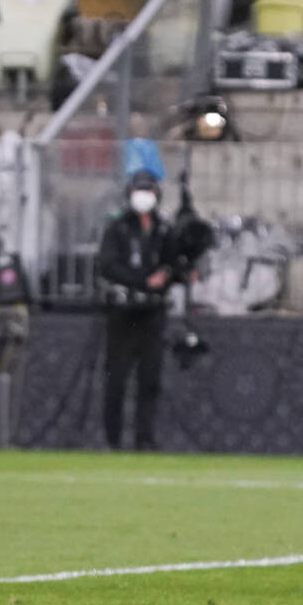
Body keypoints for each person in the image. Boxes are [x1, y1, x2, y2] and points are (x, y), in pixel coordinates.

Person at [97, 171, 172, 451]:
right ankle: (112, 439)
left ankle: (145, 439)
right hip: (123, 311)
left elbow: (174, 259)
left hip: (153, 312)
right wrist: (141, 280)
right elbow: (107, 265)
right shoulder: (118, 228)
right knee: (116, 379)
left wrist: (171, 272)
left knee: (150, 379)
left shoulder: (163, 227)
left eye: (149, 191)